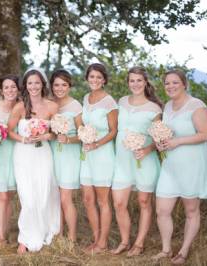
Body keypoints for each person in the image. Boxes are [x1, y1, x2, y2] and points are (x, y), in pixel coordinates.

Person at [152, 69, 207, 265]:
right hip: (170, 165)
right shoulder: (168, 106)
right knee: (162, 210)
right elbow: (167, 134)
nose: (170, 86)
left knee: (191, 210)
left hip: (192, 164)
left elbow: (205, 135)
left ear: (184, 84)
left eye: (175, 82)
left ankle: (184, 251)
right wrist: (161, 143)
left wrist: (178, 142)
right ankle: (166, 249)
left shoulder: (197, 106)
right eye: (167, 83)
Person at [111, 66, 163, 256]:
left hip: (144, 160)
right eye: (132, 80)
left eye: (139, 80)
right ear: (128, 82)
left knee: (143, 202)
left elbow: (160, 139)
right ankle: (125, 241)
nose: (135, 84)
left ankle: (139, 244)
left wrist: (147, 149)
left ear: (146, 82)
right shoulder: (122, 102)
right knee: (118, 203)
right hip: (122, 161)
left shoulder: (154, 108)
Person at [8, 67, 60, 254]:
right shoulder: (20, 107)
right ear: (26, 85)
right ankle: (25, 238)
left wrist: (47, 136)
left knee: (44, 194)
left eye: (37, 82)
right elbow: (9, 132)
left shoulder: (52, 107)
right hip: (23, 155)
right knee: (28, 198)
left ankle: (45, 231)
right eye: (30, 83)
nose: (34, 86)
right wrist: (24, 139)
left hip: (43, 155)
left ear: (42, 84)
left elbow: (57, 132)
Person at [79, 63, 118, 254]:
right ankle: (96, 239)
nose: (94, 80)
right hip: (87, 154)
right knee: (87, 199)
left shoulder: (109, 102)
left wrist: (96, 144)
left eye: (98, 77)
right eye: (91, 77)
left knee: (103, 201)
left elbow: (113, 131)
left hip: (102, 153)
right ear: (87, 79)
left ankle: (102, 243)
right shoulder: (86, 98)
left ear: (104, 80)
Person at [50, 69, 82, 242]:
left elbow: (83, 135)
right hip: (52, 153)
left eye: (64, 84)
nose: (60, 88)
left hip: (69, 155)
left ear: (69, 86)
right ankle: (58, 235)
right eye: (56, 85)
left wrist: (68, 139)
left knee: (65, 198)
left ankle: (71, 237)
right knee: (55, 198)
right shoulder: (49, 103)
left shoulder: (75, 106)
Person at [0, 75, 20, 244]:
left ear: (18, 89)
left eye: (13, 87)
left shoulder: (22, 108)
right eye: (6, 87)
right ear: (1, 91)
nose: (10, 90)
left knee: (10, 196)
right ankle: (1, 238)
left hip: (16, 155)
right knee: (2, 197)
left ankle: (6, 231)